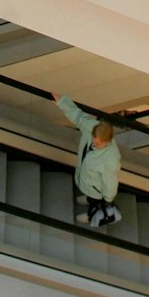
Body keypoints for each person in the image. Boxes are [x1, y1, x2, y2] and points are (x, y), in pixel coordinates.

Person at [52, 91, 121, 227]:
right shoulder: (91, 128)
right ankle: (88, 199)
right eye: (94, 140)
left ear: (108, 141)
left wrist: (108, 200)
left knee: (96, 203)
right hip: (86, 180)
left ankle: (90, 215)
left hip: (97, 190)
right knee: (91, 197)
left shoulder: (110, 160)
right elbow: (78, 117)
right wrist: (61, 102)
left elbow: (111, 182)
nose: (94, 144)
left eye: (98, 143)